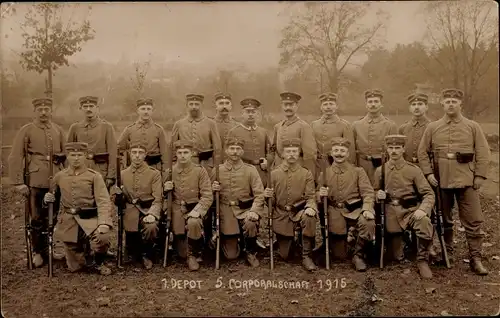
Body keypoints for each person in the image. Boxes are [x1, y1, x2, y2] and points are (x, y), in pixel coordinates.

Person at [418, 88, 491, 276]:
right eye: (447, 101)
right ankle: (446, 252)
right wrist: (428, 174)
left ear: (461, 104)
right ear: (442, 104)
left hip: (467, 180)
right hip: (441, 179)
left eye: (454, 101)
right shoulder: (432, 127)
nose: (451, 104)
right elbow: (422, 153)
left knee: (473, 220)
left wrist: (480, 176)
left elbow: (483, 152)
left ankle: (475, 258)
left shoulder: (473, 126)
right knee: (443, 219)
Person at [8, 97, 66, 267]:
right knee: (36, 218)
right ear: (34, 111)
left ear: (51, 111)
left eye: (46, 109)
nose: (43, 112)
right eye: (39, 109)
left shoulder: (58, 130)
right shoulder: (26, 130)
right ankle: (37, 251)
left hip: (55, 178)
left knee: (53, 216)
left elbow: (66, 155)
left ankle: (48, 248)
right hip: (35, 179)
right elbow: (15, 157)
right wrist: (19, 182)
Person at [43, 142, 113, 275]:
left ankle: (98, 263)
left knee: (102, 237)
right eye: (72, 155)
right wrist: (47, 200)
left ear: (85, 156)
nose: (76, 158)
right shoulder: (59, 176)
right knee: (76, 268)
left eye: (79, 155)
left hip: (89, 218)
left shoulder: (94, 176)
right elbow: (54, 200)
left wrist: (103, 223)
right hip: (69, 220)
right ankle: (83, 253)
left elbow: (103, 201)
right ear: (67, 157)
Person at [374, 135, 435, 278]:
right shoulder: (380, 170)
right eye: (391, 148)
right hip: (390, 213)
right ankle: (405, 242)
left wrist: (422, 209)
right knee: (395, 256)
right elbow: (373, 191)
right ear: (387, 149)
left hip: (410, 211)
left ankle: (422, 260)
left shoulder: (413, 170)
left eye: (397, 148)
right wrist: (378, 194)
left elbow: (428, 194)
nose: (394, 151)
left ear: (403, 149)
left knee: (424, 222)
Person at [317, 137, 375, 272]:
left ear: (348, 154)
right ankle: (348, 240)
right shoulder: (324, 173)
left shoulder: (358, 172)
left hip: (354, 210)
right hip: (335, 213)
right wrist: (321, 194)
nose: (339, 153)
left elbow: (368, 193)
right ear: (331, 153)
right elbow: (316, 195)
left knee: (368, 222)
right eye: (336, 150)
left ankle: (358, 254)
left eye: (342, 151)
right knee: (340, 255)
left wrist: (367, 208)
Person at [264, 138, 318, 271]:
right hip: (281, 214)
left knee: (309, 217)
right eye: (288, 152)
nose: (292, 154)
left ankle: (306, 255)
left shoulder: (306, 173)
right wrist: (268, 197)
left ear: (299, 153)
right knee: (285, 256)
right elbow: (272, 203)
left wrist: (310, 207)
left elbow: (311, 196)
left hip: (299, 212)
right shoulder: (274, 174)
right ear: (282, 154)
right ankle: (290, 241)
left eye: (294, 151)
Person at [211, 137, 265, 267]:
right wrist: (213, 190)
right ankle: (228, 239)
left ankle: (250, 251)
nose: (235, 152)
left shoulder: (250, 170)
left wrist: (254, 211)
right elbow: (208, 197)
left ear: (242, 151)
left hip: (245, 210)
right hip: (226, 212)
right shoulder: (218, 170)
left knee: (251, 222)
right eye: (232, 149)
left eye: (238, 149)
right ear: (226, 151)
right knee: (231, 256)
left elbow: (259, 194)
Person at [163, 140, 213, 271]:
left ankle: (194, 253)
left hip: (194, 207)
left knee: (194, 222)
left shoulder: (200, 171)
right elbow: (161, 197)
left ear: (192, 154)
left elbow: (207, 195)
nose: (183, 155)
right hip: (177, 209)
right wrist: (165, 189)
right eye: (180, 153)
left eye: (186, 152)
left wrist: (198, 210)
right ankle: (180, 244)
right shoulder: (170, 172)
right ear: (176, 154)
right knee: (181, 254)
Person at [111, 143, 162, 270]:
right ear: (130, 154)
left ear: (145, 155)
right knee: (131, 230)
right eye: (134, 152)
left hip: (146, 209)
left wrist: (152, 214)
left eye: (140, 153)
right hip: (129, 211)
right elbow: (115, 200)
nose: (137, 156)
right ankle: (133, 253)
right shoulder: (122, 174)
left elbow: (158, 198)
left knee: (151, 227)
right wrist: (118, 196)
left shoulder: (154, 174)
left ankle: (147, 253)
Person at [67, 96, 117, 189]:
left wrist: (111, 175)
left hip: (101, 170)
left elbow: (113, 152)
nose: (88, 109)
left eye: (91, 106)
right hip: (79, 170)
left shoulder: (107, 127)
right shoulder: (75, 127)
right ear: (80, 109)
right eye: (85, 106)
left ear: (97, 108)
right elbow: (68, 153)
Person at [352, 89, 397, 184]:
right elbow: (352, 149)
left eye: (376, 101)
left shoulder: (390, 125)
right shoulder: (356, 125)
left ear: (381, 104)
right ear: (366, 104)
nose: (373, 104)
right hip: (361, 166)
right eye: (370, 102)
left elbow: (395, 150)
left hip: (382, 166)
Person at [226, 97, 272, 186]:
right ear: (242, 114)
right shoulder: (234, 131)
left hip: (261, 171)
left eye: (253, 112)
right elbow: (227, 154)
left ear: (257, 114)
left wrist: (267, 162)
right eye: (248, 111)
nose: (250, 114)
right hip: (241, 172)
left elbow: (270, 151)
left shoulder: (263, 132)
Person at [270, 92, 317, 177]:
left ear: (297, 106)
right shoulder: (277, 126)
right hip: (280, 170)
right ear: (282, 106)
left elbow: (309, 155)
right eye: (285, 105)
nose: (288, 108)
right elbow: (273, 150)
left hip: (297, 171)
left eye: (291, 105)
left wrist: (309, 176)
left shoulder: (304, 126)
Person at [171, 94, 222, 172]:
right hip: (185, 164)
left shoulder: (211, 123)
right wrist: (173, 165)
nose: (194, 107)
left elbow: (217, 148)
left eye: (197, 104)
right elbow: (173, 148)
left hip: (206, 164)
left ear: (202, 106)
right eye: (191, 104)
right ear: (187, 106)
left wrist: (216, 167)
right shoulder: (179, 124)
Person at [117, 98, 168, 172]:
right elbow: (119, 149)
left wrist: (165, 170)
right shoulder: (129, 129)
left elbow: (165, 153)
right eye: (143, 109)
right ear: (138, 111)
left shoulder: (159, 129)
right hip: (134, 170)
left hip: (154, 169)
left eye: (148, 109)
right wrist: (122, 165)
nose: (146, 112)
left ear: (152, 111)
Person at [311, 92, 355, 174]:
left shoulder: (344, 125)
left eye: (331, 104)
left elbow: (350, 150)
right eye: (325, 104)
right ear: (321, 107)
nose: (328, 107)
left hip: (336, 164)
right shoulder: (314, 124)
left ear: (336, 106)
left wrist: (347, 168)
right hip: (317, 164)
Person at [398, 92, 431, 164]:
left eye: (420, 104)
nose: (416, 107)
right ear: (409, 108)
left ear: (426, 107)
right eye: (413, 104)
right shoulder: (403, 128)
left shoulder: (432, 127)